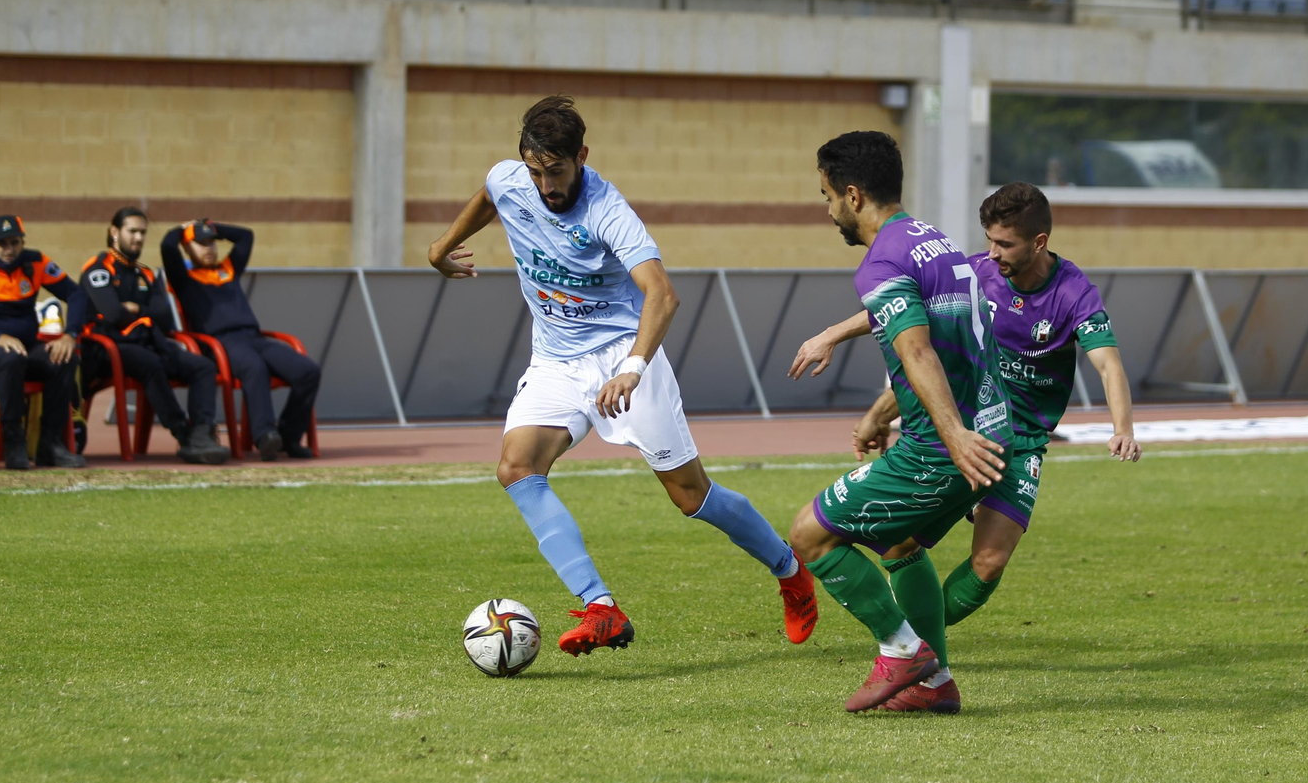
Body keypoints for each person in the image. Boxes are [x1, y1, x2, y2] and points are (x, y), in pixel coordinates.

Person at [425, 95, 818, 658]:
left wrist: (633, 368)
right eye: (535, 172)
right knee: (516, 467)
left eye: (556, 172)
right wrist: (441, 248)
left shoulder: (608, 211)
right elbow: (492, 194)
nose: (545, 186)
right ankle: (601, 607)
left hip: (624, 354)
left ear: (581, 156)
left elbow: (663, 295)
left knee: (691, 496)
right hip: (556, 360)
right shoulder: (511, 179)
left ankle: (789, 570)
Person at [790, 180, 1141, 713]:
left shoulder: (1073, 292)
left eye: (1005, 244)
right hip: (965, 424)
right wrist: (839, 343)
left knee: (989, 562)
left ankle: (912, 647)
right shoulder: (974, 271)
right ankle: (921, 662)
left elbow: (1108, 363)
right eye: (989, 240)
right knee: (901, 544)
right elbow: (906, 322)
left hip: (1018, 441)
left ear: (1039, 242)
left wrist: (1122, 427)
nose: (993, 253)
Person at [784, 131, 1026, 714]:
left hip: (944, 450)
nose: (829, 211)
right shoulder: (932, 241)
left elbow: (918, 351)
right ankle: (934, 684)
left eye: (828, 197)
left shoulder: (880, 262)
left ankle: (902, 652)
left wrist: (951, 437)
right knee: (900, 543)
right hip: (997, 434)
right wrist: (836, 338)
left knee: (808, 535)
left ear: (853, 195)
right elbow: (927, 324)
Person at [76, 208, 229, 465]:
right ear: (115, 232)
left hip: (148, 342)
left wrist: (136, 309)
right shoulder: (98, 269)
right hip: (107, 348)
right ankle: (183, 434)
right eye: (132, 231)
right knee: (150, 363)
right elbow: (113, 314)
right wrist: (145, 314)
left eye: (143, 232)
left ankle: (202, 433)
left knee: (203, 366)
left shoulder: (146, 274)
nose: (138, 238)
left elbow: (165, 318)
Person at [159, 220, 321, 463]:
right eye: (201, 244)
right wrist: (182, 230)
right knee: (254, 367)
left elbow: (246, 236)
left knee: (308, 371)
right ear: (187, 248)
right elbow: (167, 247)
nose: (209, 248)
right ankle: (265, 435)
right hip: (221, 343)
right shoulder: (184, 277)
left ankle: (289, 437)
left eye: (212, 242)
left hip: (254, 338)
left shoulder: (229, 269)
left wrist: (213, 226)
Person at [0, 215, 85, 470]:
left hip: (24, 348)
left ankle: (50, 444)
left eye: (14, 242)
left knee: (64, 359)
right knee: (10, 359)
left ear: (23, 241)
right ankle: (13, 441)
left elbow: (76, 294)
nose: (9, 249)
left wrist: (70, 335)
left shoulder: (37, 262)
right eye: (2, 243)